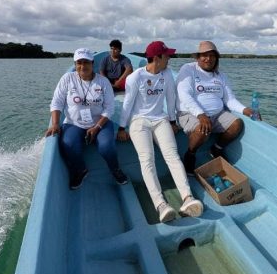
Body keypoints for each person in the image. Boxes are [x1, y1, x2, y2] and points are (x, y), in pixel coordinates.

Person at [117, 41, 203, 223]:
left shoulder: (167, 74)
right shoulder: (135, 77)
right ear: (156, 58)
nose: (169, 58)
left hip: (160, 119)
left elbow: (171, 99)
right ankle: (160, 204)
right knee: (147, 159)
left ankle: (187, 198)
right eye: (166, 56)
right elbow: (127, 103)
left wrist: (172, 121)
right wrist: (122, 127)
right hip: (139, 121)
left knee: (172, 155)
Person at [46, 48, 128, 189]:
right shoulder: (67, 79)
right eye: (79, 63)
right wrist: (55, 124)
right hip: (74, 123)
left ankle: (115, 169)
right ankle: (81, 170)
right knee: (68, 144)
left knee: (106, 146)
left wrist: (97, 127)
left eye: (86, 62)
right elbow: (57, 102)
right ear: (75, 64)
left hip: (100, 123)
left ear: (92, 63)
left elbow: (109, 108)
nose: (82, 66)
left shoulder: (103, 82)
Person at [176, 40, 261, 175]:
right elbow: (184, 95)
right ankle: (190, 154)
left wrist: (246, 110)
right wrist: (201, 115)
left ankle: (217, 148)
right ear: (198, 57)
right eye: (204, 55)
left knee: (237, 124)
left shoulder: (221, 76)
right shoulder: (188, 69)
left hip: (217, 114)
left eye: (212, 55)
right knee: (203, 130)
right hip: (190, 113)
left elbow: (230, 99)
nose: (208, 59)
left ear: (216, 58)